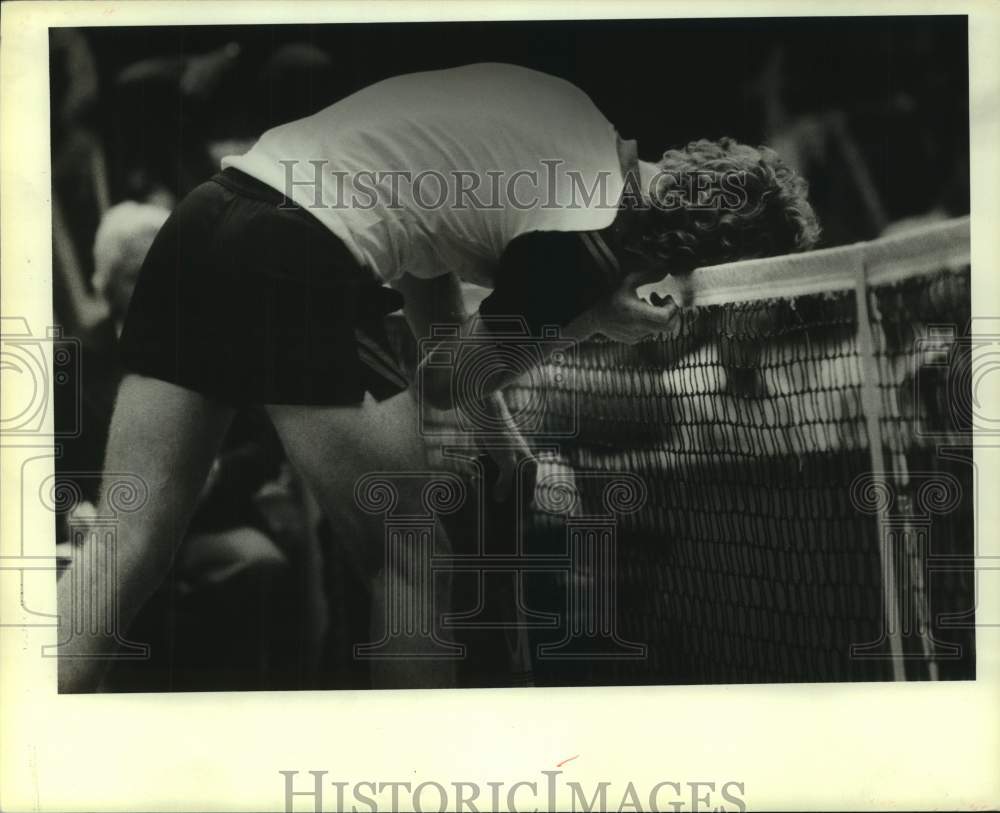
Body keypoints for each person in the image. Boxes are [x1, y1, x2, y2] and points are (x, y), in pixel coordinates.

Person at [57, 62, 819, 693]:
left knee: (125, 541)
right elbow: (448, 376)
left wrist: (499, 434)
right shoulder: (587, 242)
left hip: (207, 219)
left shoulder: (577, 127)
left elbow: (426, 258)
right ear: (700, 258)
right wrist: (591, 319)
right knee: (413, 561)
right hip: (295, 250)